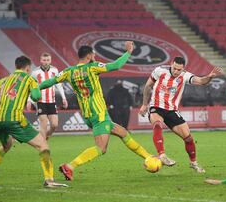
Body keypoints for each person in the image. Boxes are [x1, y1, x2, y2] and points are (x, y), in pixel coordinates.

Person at [39, 42, 154, 181]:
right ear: (89, 56)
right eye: (93, 54)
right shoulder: (93, 67)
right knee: (101, 148)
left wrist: (34, 88)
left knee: (123, 132)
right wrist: (128, 52)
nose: (95, 56)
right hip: (98, 113)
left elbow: (49, 82)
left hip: (87, 114)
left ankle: (148, 156)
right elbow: (116, 65)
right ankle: (69, 166)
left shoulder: (68, 71)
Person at [0, 56, 67, 188]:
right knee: (43, 145)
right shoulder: (29, 78)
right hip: (14, 119)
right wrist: (33, 95)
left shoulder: (4, 79)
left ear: (16, 66)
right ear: (27, 68)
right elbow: (37, 96)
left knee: (6, 145)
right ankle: (49, 180)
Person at [139, 57, 222, 173]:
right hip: (156, 106)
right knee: (157, 124)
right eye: (174, 68)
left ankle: (194, 163)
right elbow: (148, 86)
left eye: (179, 70)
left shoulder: (185, 75)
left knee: (188, 138)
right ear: (171, 64)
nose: (176, 71)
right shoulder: (159, 71)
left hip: (172, 110)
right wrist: (144, 105)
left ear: (183, 68)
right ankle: (162, 155)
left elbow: (201, 81)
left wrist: (209, 77)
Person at [26, 52, 68, 139]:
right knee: (44, 123)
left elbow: (58, 84)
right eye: (44, 60)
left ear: (50, 60)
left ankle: (46, 136)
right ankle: (43, 144)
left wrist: (64, 98)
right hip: (40, 101)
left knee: (54, 125)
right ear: (40, 60)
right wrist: (29, 100)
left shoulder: (55, 70)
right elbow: (31, 87)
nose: (46, 62)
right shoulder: (35, 72)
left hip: (51, 101)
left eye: (48, 60)